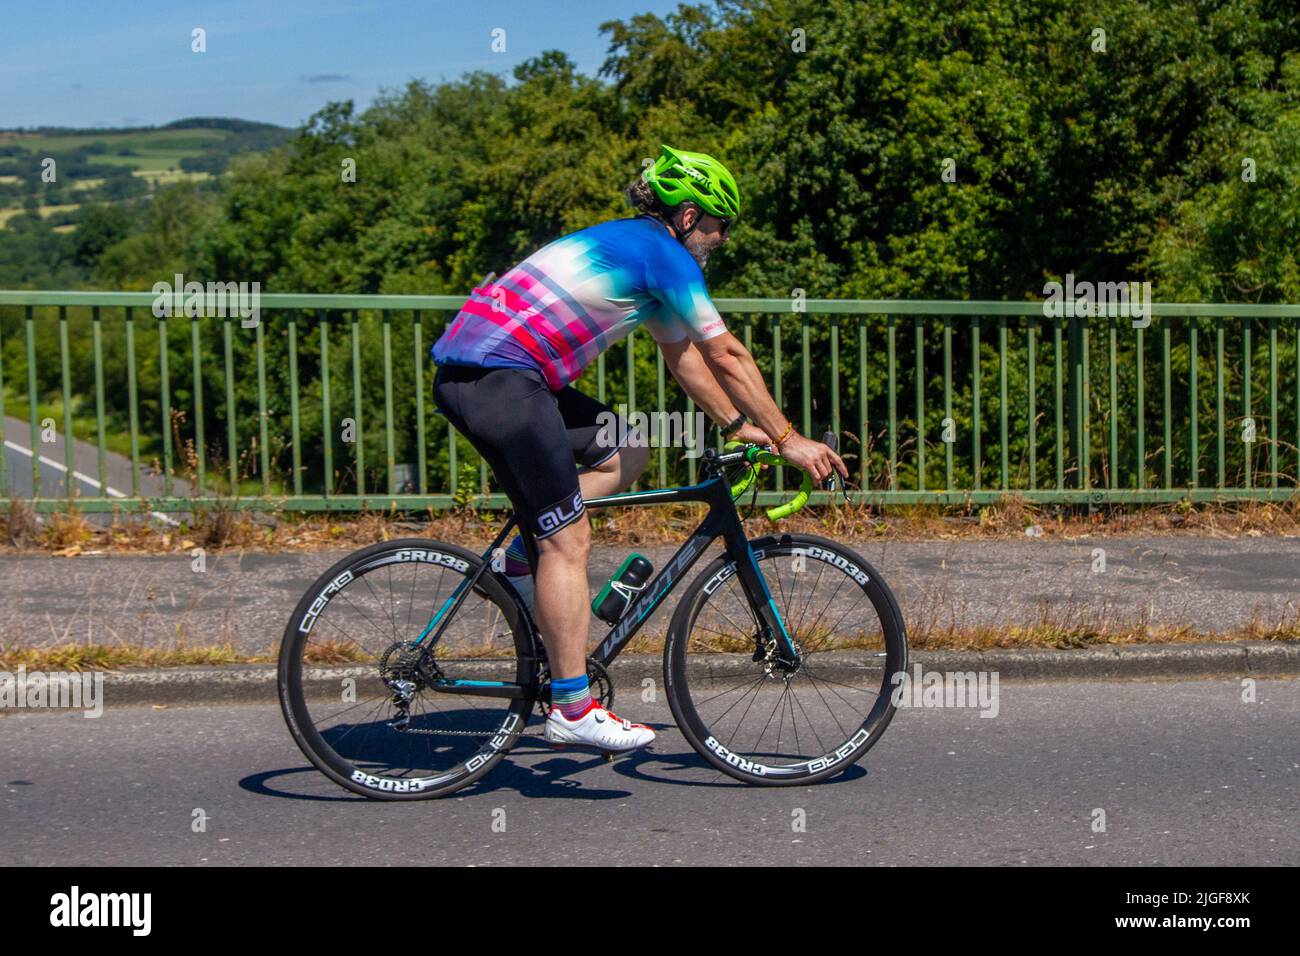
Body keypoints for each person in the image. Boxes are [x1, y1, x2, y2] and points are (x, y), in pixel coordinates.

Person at [431, 144, 847, 753]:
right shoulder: (665, 257)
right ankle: (572, 707)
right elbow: (728, 353)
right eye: (717, 224)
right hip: (501, 379)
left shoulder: (636, 251)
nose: (721, 239)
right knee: (568, 541)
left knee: (627, 451)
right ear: (686, 217)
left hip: (494, 375)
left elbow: (687, 357)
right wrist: (789, 439)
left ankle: (520, 558)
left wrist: (738, 425)